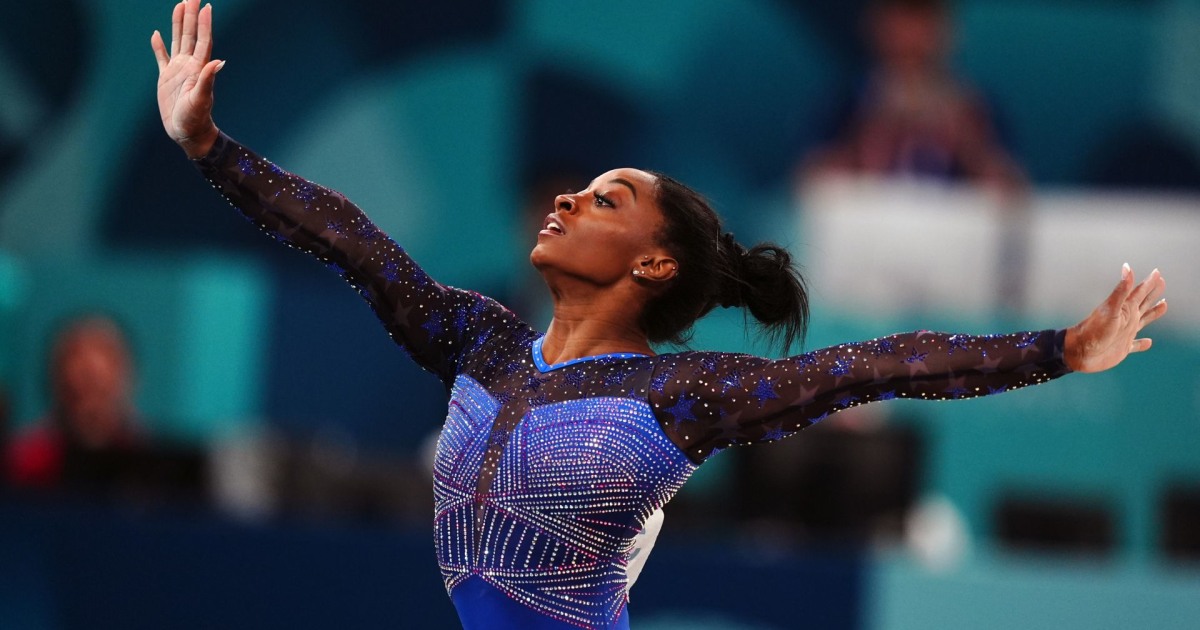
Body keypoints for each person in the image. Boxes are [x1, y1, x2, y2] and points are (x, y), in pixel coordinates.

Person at [151, 2, 1167, 628]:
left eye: (604, 197)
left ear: (650, 260)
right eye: (575, 190)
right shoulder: (480, 341)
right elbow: (346, 240)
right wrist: (210, 148)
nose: (564, 199)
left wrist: (1061, 349)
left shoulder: (680, 395)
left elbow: (878, 366)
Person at [801, 0, 1025, 194]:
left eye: (923, 21)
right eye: (900, 20)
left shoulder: (974, 104)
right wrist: (875, 130)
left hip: (952, 234)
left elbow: (1011, 187)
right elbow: (808, 183)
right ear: (876, 26)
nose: (911, 36)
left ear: (947, 30)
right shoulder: (848, 100)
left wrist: (968, 142)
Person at [6, 315, 145, 489]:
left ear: (129, 376)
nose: (88, 372)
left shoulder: (153, 466)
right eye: (74, 356)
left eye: (107, 355)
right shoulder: (21, 463)